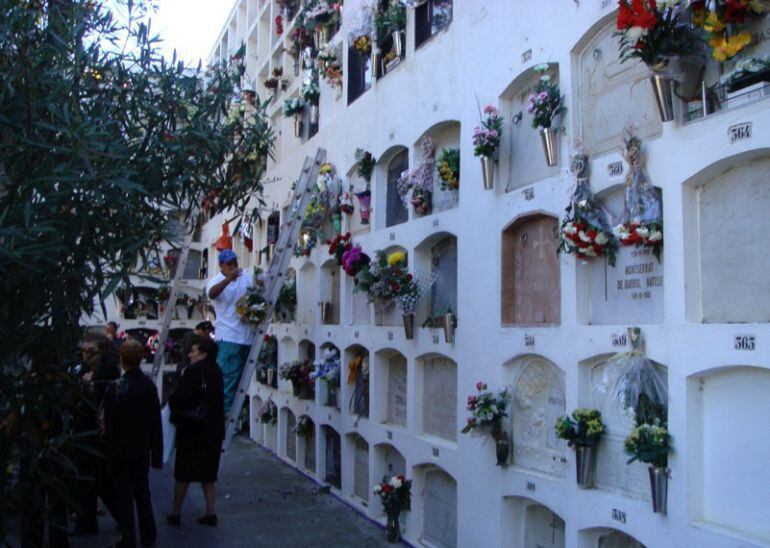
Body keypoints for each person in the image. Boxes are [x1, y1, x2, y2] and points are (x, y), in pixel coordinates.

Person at [102, 340, 163, 547]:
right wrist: (157, 453)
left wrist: (109, 451)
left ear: (122, 360)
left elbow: (110, 425)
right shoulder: (148, 386)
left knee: (125, 497)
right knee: (142, 493)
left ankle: (129, 538)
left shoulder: (115, 389)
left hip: (120, 450)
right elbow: (156, 421)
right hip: (141, 448)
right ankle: (149, 534)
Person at [166, 336, 225, 527]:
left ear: (203, 353)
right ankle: (210, 511)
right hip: (213, 429)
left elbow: (180, 398)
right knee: (208, 473)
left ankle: (176, 512)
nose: (190, 354)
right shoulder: (216, 370)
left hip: (193, 429)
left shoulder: (192, 372)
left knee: (183, 473)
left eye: (193, 351)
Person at [70, 332, 121, 536]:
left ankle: (120, 516)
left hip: (100, 434)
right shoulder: (85, 367)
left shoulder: (107, 369)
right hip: (85, 431)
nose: (85, 354)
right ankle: (87, 521)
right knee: (87, 481)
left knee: (102, 480)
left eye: (90, 350)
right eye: (83, 350)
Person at [206, 249, 253, 414]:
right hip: (228, 337)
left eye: (235, 262)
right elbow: (212, 294)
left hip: (247, 337)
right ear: (221, 265)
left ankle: (236, 419)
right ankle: (223, 420)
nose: (233, 266)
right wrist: (228, 280)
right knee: (226, 381)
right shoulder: (216, 281)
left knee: (241, 381)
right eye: (229, 264)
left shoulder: (246, 277)